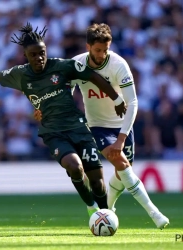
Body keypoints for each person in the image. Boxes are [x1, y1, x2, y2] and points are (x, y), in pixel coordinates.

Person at [0, 23, 127, 217]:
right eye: (33, 54)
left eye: (42, 52)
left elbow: (93, 76)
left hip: (78, 128)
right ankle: (92, 208)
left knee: (98, 182)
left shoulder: (62, 66)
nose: (39, 57)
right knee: (75, 167)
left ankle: (106, 214)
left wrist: (116, 98)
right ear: (25, 56)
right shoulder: (20, 74)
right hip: (53, 132)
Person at [34, 23, 169, 229]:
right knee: (121, 164)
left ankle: (107, 211)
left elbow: (132, 102)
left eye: (106, 49)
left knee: (122, 175)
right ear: (88, 47)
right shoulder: (77, 64)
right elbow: (63, 93)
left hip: (123, 126)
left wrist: (122, 137)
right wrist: (47, 109)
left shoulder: (118, 65)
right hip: (97, 126)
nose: (102, 54)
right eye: (98, 50)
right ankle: (155, 213)